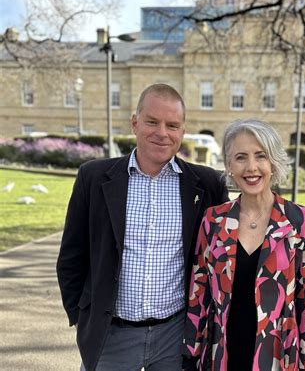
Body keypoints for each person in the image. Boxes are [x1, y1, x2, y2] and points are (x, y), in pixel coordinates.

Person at [56, 83, 228, 371]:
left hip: (175, 337)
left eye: (172, 125)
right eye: (152, 121)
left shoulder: (207, 185)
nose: (162, 132)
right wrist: (83, 315)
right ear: (135, 123)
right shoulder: (94, 178)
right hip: (111, 337)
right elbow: (71, 257)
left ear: (182, 131)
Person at [182, 119, 305, 370]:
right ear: (228, 164)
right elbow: (199, 293)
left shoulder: (301, 222)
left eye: (261, 156)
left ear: (273, 162)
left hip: (278, 356)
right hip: (220, 353)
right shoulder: (213, 220)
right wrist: (190, 353)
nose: (251, 167)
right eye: (240, 157)